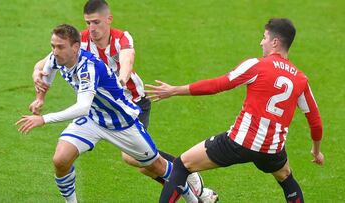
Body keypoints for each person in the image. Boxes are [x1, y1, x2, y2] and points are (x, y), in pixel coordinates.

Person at [30, 0, 218, 202]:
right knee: (62, 158)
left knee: (136, 160)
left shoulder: (121, 38)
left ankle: (186, 174)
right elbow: (48, 61)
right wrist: (37, 74)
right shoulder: (79, 43)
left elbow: (127, 59)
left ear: (108, 19)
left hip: (131, 103)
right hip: (97, 111)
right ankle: (186, 179)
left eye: (96, 22)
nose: (92, 28)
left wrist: (121, 78)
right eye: (87, 23)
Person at [146, 18, 324, 203]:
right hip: (272, 150)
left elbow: (218, 85)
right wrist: (316, 151)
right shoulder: (301, 80)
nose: (261, 42)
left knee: (181, 165)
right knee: (287, 179)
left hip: (239, 143)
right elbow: (315, 121)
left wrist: (175, 90)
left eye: (264, 37)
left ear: (275, 42)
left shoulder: (257, 65)